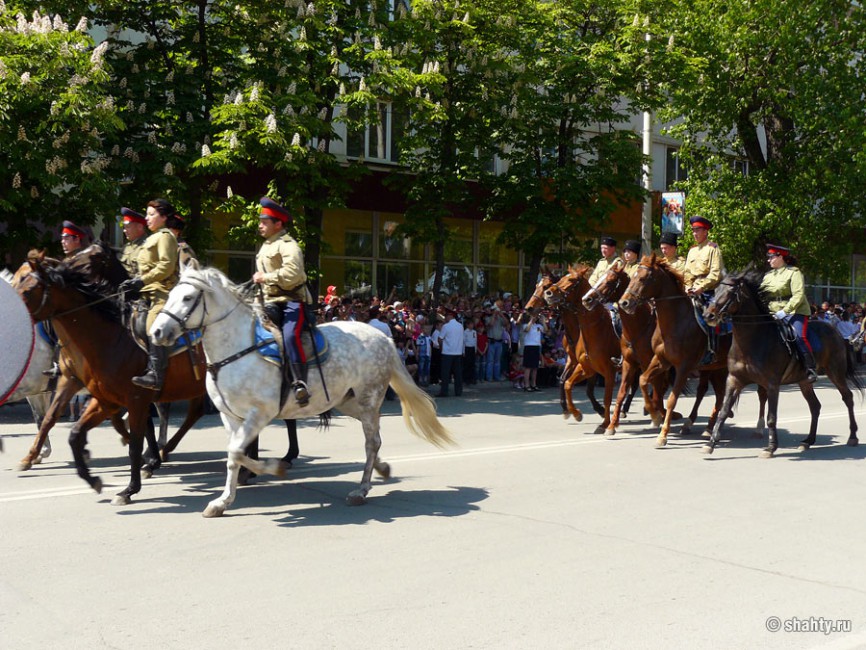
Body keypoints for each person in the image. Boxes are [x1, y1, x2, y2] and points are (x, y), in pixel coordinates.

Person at [251, 197, 314, 406]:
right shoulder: (266, 246)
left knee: (289, 336)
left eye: (264, 222)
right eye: (260, 221)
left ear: (278, 224)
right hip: (269, 301)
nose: (260, 225)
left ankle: (299, 383)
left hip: (292, 301)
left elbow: (293, 274)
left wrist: (265, 277)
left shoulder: (289, 245)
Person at [119, 198, 179, 391]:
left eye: (151, 214)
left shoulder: (165, 237)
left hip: (161, 293)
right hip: (144, 294)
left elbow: (166, 266)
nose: (147, 218)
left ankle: (156, 374)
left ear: (163, 217)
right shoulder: (152, 238)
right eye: (147, 214)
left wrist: (141, 281)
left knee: (153, 327)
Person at [760, 243, 818, 383]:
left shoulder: (794, 272)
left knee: (798, 336)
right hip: (772, 312)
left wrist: (784, 312)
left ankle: (810, 368)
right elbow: (761, 295)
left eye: (771, 257)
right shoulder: (768, 276)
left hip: (795, 311)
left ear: (780, 257)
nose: (768, 260)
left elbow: (798, 295)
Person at [683, 216, 724, 362]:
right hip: (692, 290)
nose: (694, 233)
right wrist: (688, 286)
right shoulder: (692, 251)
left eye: (698, 230)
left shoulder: (713, 248)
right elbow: (687, 273)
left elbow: (716, 273)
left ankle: (711, 350)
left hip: (709, 291)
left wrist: (701, 287)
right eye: (693, 230)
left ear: (706, 231)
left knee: (710, 317)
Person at [438, 309, 464, 397]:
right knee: (458, 373)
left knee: (445, 373)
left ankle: (444, 391)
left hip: (447, 352)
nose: (445, 318)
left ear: (450, 316)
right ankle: (458, 391)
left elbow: (440, 338)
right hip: (457, 352)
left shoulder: (446, 326)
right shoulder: (460, 326)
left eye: (446, 316)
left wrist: (441, 347)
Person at [118, 208, 148, 276]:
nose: (124, 231)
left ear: (140, 227)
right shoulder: (126, 247)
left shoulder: (147, 246)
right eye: (124, 227)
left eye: (127, 227)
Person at [522, 311, 546, 391]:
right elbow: (527, 330)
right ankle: (526, 385)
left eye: (535, 317)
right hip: (529, 346)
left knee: (535, 367)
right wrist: (531, 321)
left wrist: (543, 321)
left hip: (537, 346)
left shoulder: (538, 326)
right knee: (528, 367)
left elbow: (545, 330)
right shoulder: (525, 325)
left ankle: (533, 384)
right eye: (533, 316)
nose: (535, 318)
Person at [462, 319, 477, 384]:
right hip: (467, 348)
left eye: (472, 324)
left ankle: (472, 378)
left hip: (472, 348)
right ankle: (466, 379)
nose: (472, 326)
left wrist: (475, 349)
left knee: (472, 364)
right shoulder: (465, 332)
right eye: (470, 324)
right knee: (467, 364)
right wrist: (463, 351)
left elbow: (475, 340)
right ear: (467, 325)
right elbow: (463, 342)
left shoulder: (474, 332)